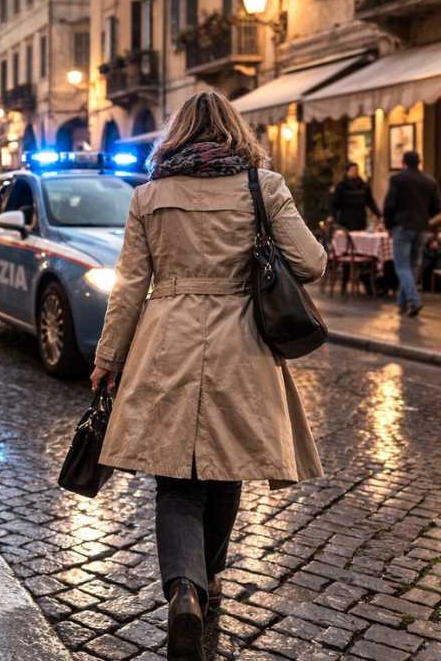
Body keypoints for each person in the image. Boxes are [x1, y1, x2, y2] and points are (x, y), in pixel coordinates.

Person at [89, 90, 326, 660]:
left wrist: (106, 359)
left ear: (176, 136)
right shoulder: (262, 187)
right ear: (233, 131)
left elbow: (128, 289)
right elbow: (312, 263)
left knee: (174, 481)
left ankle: (184, 594)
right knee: (226, 470)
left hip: (165, 339)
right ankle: (210, 581)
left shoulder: (149, 196)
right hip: (241, 342)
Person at [382, 150, 441, 317]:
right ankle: (402, 302)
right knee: (413, 265)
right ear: (419, 162)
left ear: (403, 162)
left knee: (401, 266)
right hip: (421, 228)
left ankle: (414, 300)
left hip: (402, 226)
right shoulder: (429, 181)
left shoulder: (398, 179)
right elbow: (437, 207)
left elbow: (389, 205)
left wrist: (388, 225)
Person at [329, 162, 381, 231]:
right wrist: (333, 216)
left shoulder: (363, 185)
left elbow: (370, 201)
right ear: (347, 171)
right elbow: (335, 203)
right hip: (346, 219)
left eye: (356, 170)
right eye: (352, 170)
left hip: (360, 218)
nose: (355, 172)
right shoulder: (341, 186)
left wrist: (378, 214)